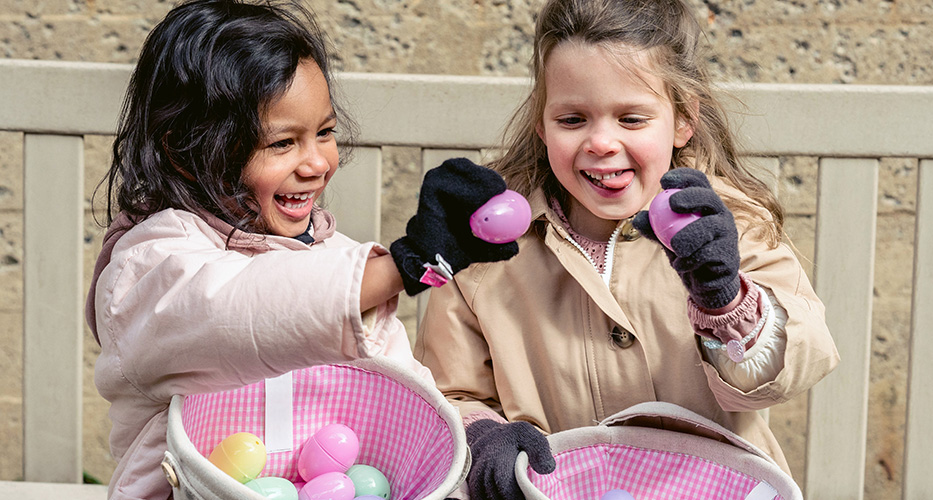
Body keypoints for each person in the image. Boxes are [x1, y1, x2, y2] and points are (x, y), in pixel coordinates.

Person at [85, 1, 517, 498]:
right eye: (282, 143)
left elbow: (405, 395)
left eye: (325, 133)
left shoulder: (332, 256)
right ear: (186, 152)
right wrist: (404, 265)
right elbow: (240, 308)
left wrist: (480, 444)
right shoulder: (149, 265)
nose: (316, 163)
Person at [414, 0, 841, 498]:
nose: (601, 142)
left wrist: (726, 300)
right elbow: (449, 393)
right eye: (572, 119)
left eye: (632, 119)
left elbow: (794, 364)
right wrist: (483, 438)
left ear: (683, 119)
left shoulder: (730, 227)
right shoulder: (484, 249)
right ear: (541, 122)